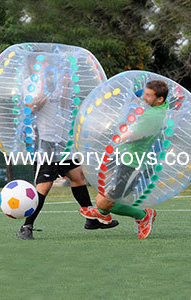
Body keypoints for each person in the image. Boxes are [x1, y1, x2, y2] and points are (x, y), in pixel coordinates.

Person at [17, 54, 118, 240]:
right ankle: (26, 226)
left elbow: (64, 106)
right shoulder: (30, 83)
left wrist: (64, 87)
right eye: (44, 62)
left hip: (64, 141)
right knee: (44, 186)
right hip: (46, 142)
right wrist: (46, 90)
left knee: (78, 177)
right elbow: (31, 108)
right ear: (34, 65)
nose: (48, 65)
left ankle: (91, 220)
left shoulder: (59, 82)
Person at [79, 80, 169, 239]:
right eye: (144, 93)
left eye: (148, 95)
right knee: (107, 197)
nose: (144, 98)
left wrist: (116, 135)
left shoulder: (153, 115)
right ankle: (103, 214)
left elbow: (131, 135)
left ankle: (142, 215)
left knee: (105, 201)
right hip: (125, 159)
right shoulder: (157, 108)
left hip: (132, 164)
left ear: (159, 99)